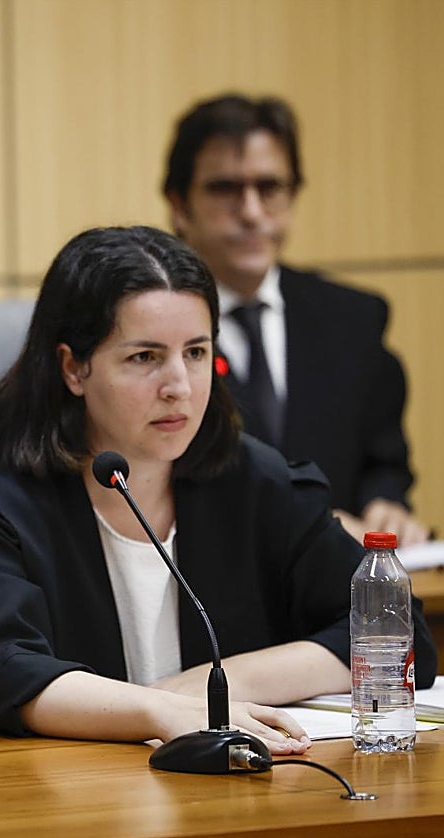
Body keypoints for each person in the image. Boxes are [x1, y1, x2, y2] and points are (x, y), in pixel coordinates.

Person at [0, 226, 436, 754]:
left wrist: (212, 685)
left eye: (196, 352)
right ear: (74, 367)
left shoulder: (255, 480)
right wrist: (157, 709)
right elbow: (4, 671)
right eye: (145, 357)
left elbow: (394, 634)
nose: (180, 387)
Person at [162, 93, 427, 546]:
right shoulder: (152, 330)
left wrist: (387, 505)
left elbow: (382, 463)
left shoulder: (354, 318)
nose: (251, 212)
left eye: (269, 188)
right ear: (179, 206)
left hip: (340, 590)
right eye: (225, 189)